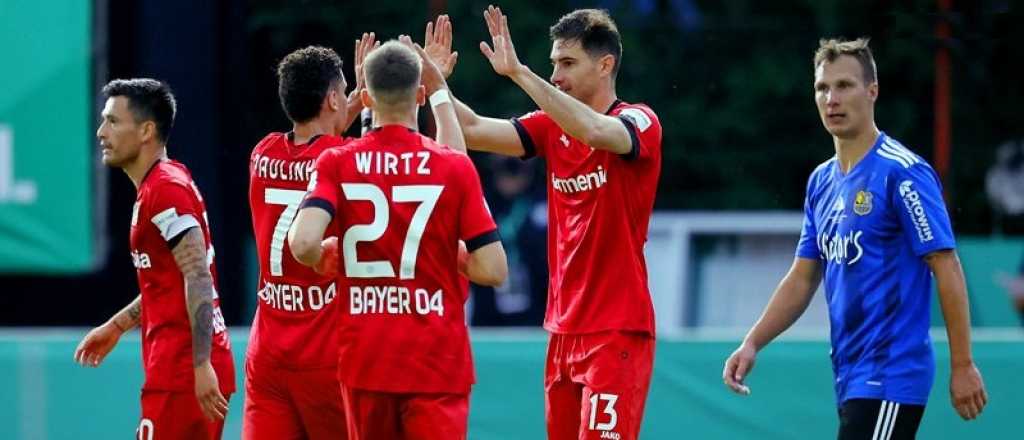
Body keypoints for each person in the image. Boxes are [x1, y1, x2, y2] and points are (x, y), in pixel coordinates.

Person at [722, 38, 988, 439]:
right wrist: (753, 342)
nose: (832, 98)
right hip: (850, 374)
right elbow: (803, 277)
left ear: (872, 91)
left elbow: (945, 264)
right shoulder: (821, 182)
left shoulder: (903, 172)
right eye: (822, 88)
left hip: (892, 373)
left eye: (844, 85)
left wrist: (963, 364)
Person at [424, 7, 662, 439]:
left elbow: (595, 131)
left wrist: (519, 73)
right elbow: (473, 129)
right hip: (562, 331)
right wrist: (431, 84)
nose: (556, 75)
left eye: (567, 63)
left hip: (616, 331)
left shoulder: (640, 120)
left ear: (605, 64)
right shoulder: (553, 128)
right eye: (553, 64)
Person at [287, 37, 506, 440]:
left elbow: (301, 244)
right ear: (419, 94)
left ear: (365, 100)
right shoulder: (453, 167)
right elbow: (493, 269)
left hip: (365, 359)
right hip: (437, 362)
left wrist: (322, 257)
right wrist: (446, 251)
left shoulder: (335, 161)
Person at [75, 78, 235, 439]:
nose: (101, 132)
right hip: (180, 369)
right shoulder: (161, 184)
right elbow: (170, 281)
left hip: (182, 372)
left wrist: (200, 364)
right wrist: (117, 326)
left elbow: (197, 275)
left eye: (113, 121)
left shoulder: (164, 190)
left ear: (147, 130)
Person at [243, 35, 375, 440]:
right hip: (326, 354)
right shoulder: (343, 163)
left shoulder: (261, 153)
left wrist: (350, 98)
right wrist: (369, 102)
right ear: (334, 99)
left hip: (267, 354)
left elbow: (321, 144)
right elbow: (366, 155)